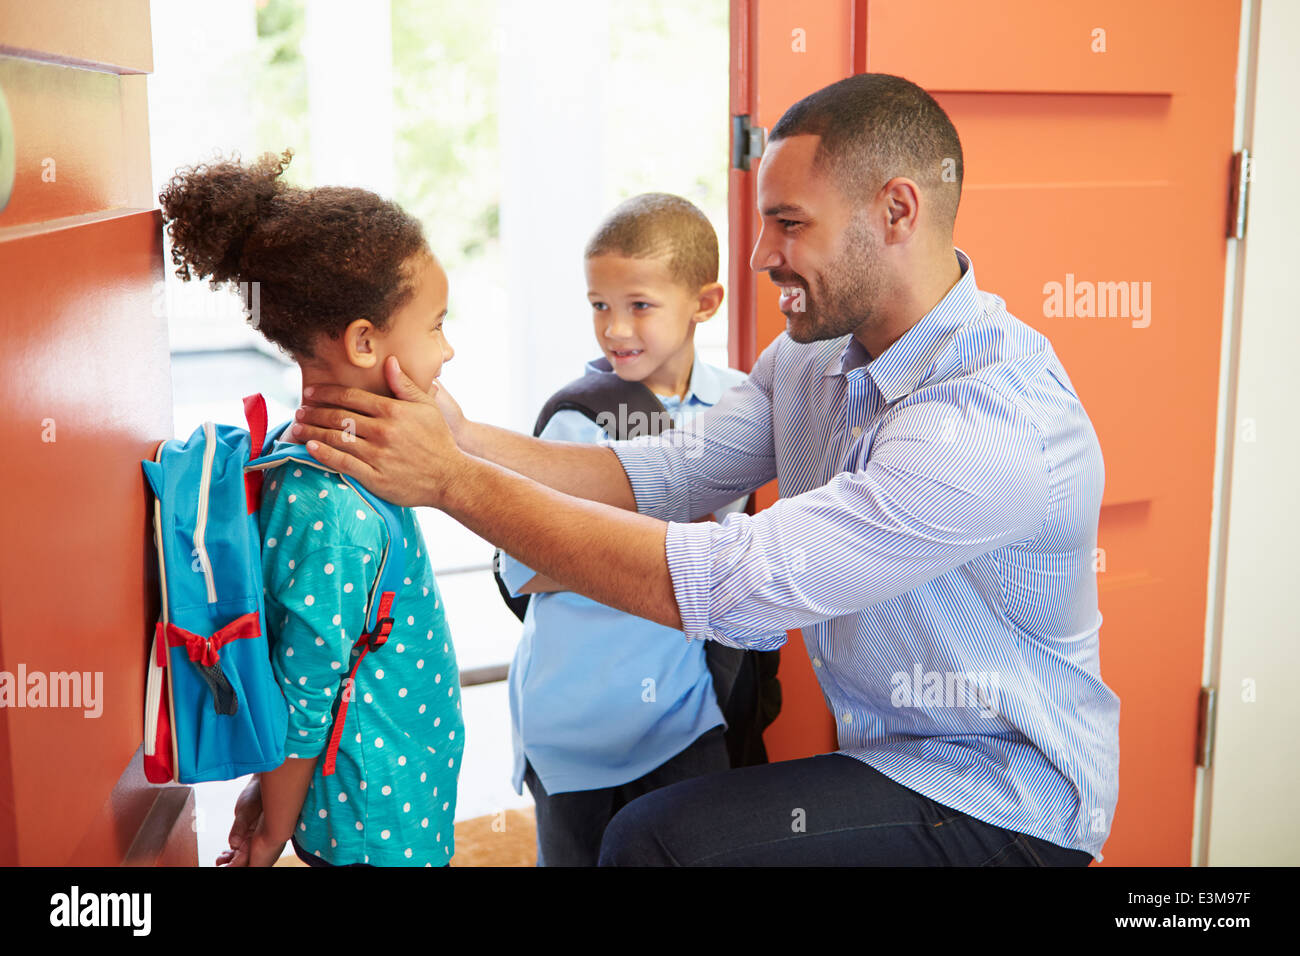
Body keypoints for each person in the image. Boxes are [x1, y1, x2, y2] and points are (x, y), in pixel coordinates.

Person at [288, 72, 1121, 866]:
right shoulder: (814, 364)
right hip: (892, 758)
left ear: (897, 210)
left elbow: (735, 585)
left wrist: (450, 483)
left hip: (1009, 793)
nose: (761, 254)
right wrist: (463, 439)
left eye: (790, 223)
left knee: (660, 840)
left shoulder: (989, 421)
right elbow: (666, 474)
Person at [159, 150, 465, 867]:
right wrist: (270, 828)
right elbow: (303, 701)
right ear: (364, 341)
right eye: (436, 326)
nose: (447, 350)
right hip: (374, 814)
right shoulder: (330, 507)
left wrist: (269, 794)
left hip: (393, 783)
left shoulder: (335, 459)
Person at [499, 193, 781, 866]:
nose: (614, 329)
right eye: (599, 304)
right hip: (574, 727)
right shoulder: (576, 421)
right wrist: (677, 538)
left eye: (639, 305)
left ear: (705, 304)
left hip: (687, 716)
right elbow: (523, 566)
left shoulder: (742, 405)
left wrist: (619, 539)